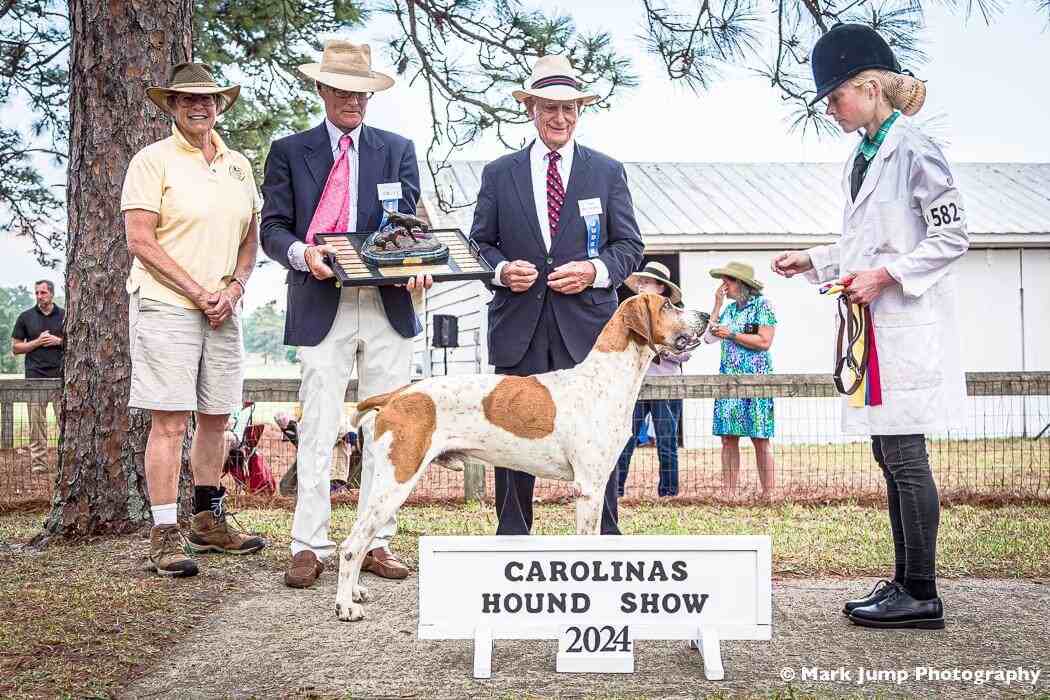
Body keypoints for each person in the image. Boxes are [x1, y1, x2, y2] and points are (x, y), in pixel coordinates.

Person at [772, 24, 968, 630]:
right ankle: (905, 581)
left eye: (836, 96)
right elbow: (863, 242)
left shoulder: (914, 147)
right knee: (889, 452)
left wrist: (886, 276)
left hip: (906, 326)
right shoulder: (862, 157)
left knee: (906, 455)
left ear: (870, 87)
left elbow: (952, 236)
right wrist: (815, 260)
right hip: (873, 329)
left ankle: (921, 589)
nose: (831, 108)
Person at [260, 40, 431, 589]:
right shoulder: (290, 151)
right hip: (320, 301)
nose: (352, 100)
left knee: (387, 431)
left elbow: (409, 227)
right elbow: (273, 228)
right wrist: (302, 254)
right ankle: (308, 543)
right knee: (318, 426)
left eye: (360, 91)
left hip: (387, 305)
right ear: (321, 90)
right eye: (341, 89)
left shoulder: (398, 149)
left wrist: (417, 263)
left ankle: (377, 541)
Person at [469, 54, 644, 535]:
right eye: (550, 107)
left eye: (570, 109)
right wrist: (502, 270)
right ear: (531, 109)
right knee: (511, 437)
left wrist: (595, 270)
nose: (560, 118)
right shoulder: (499, 173)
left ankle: (605, 535)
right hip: (518, 328)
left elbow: (630, 246)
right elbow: (478, 244)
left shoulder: (606, 172)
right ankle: (512, 536)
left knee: (599, 437)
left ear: (580, 112)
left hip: (588, 332)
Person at [121, 62, 266, 578]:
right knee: (170, 421)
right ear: (172, 106)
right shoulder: (151, 161)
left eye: (208, 99)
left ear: (221, 105)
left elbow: (251, 237)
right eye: (187, 100)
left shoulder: (239, 165)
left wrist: (235, 288)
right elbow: (140, 240)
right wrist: (198, 291)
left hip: (223, 310)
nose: (199, 106)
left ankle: (207, 519)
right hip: (167, 305)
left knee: (216, 418)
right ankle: (164, 532)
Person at [615, 262, 688, 497]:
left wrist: (662, 348)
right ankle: (615, 490)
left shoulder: (676, 316)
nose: (640, 286)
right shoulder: (631, 315)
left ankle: (668, 492)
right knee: (625, 440)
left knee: (666, 442)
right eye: (640, 282)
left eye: (646, 282)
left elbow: (685, 352)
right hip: (636, 385)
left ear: (660, 287)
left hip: (666, 385)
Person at [703, 262, 777, 495]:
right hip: (728, 380)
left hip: (756, 380)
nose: (724, 285)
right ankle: (729, 492)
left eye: (729, 280)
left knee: (760, 437)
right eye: (723, 280)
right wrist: (717, 306)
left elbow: (764, 342)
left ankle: (769, 493)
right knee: (728, 437)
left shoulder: (763, 306)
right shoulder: (730, 311)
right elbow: (707, 337)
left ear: (744, 284)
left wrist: (733, 334)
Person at [11, 280, 64, 473]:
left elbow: (76, 342)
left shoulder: (65, 315)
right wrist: (37, 342)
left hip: (61, 380)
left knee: (66, 424)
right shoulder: (25, 317)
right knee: (36, 426)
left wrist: (59, 341)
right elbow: (16, 348)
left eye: (43, 292)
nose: (39, 296)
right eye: (36, 293)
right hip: (34, 379)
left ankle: (66, 464)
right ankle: (39, 466)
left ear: (51, 293)